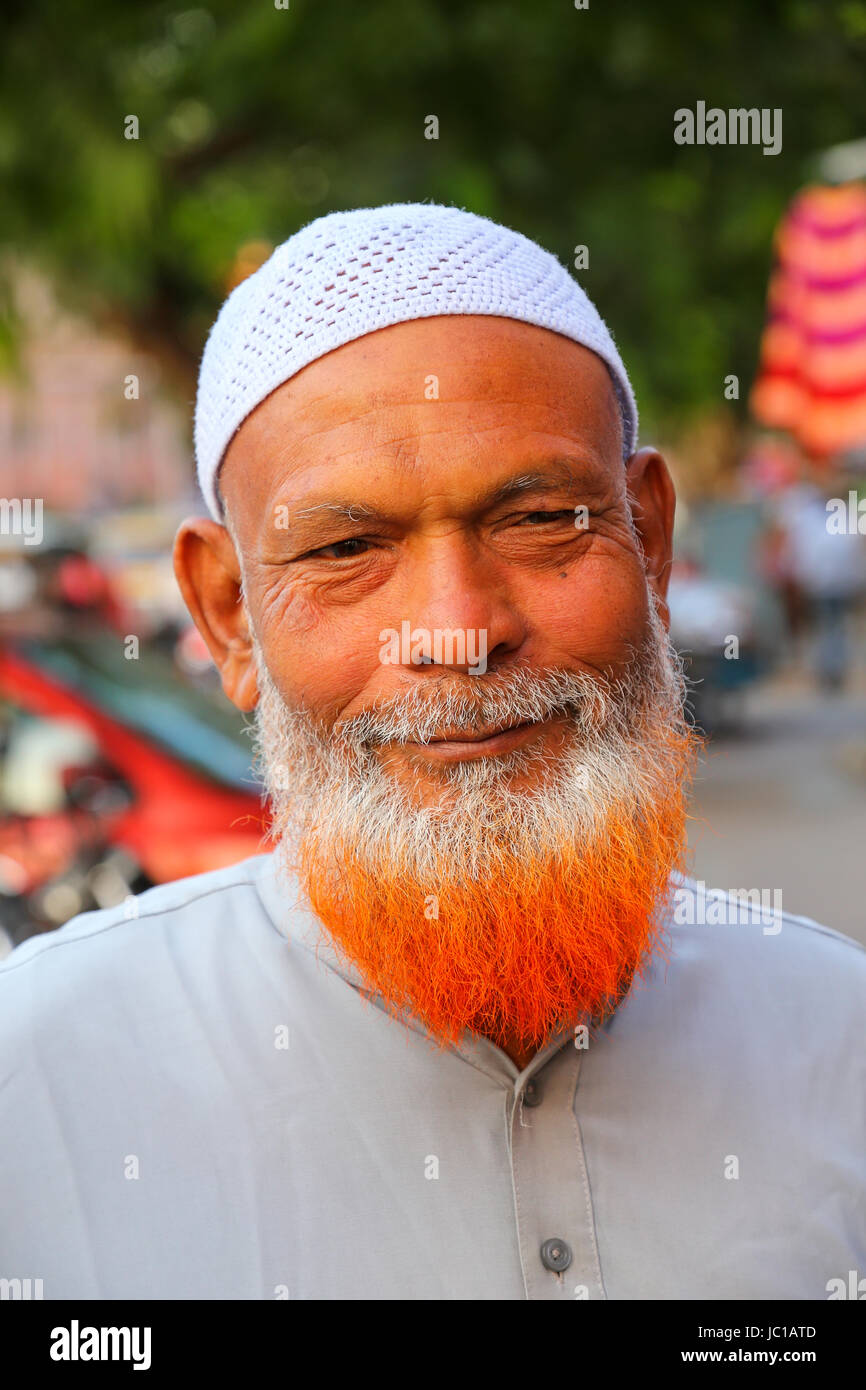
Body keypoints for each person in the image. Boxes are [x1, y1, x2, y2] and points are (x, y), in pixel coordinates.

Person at [0, 204, 863, 1301]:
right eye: (346, 548)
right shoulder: (37, 1079)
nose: (456, 629)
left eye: (540, 518)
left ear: (648, 539)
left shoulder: (838, 1040)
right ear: (227, 615)